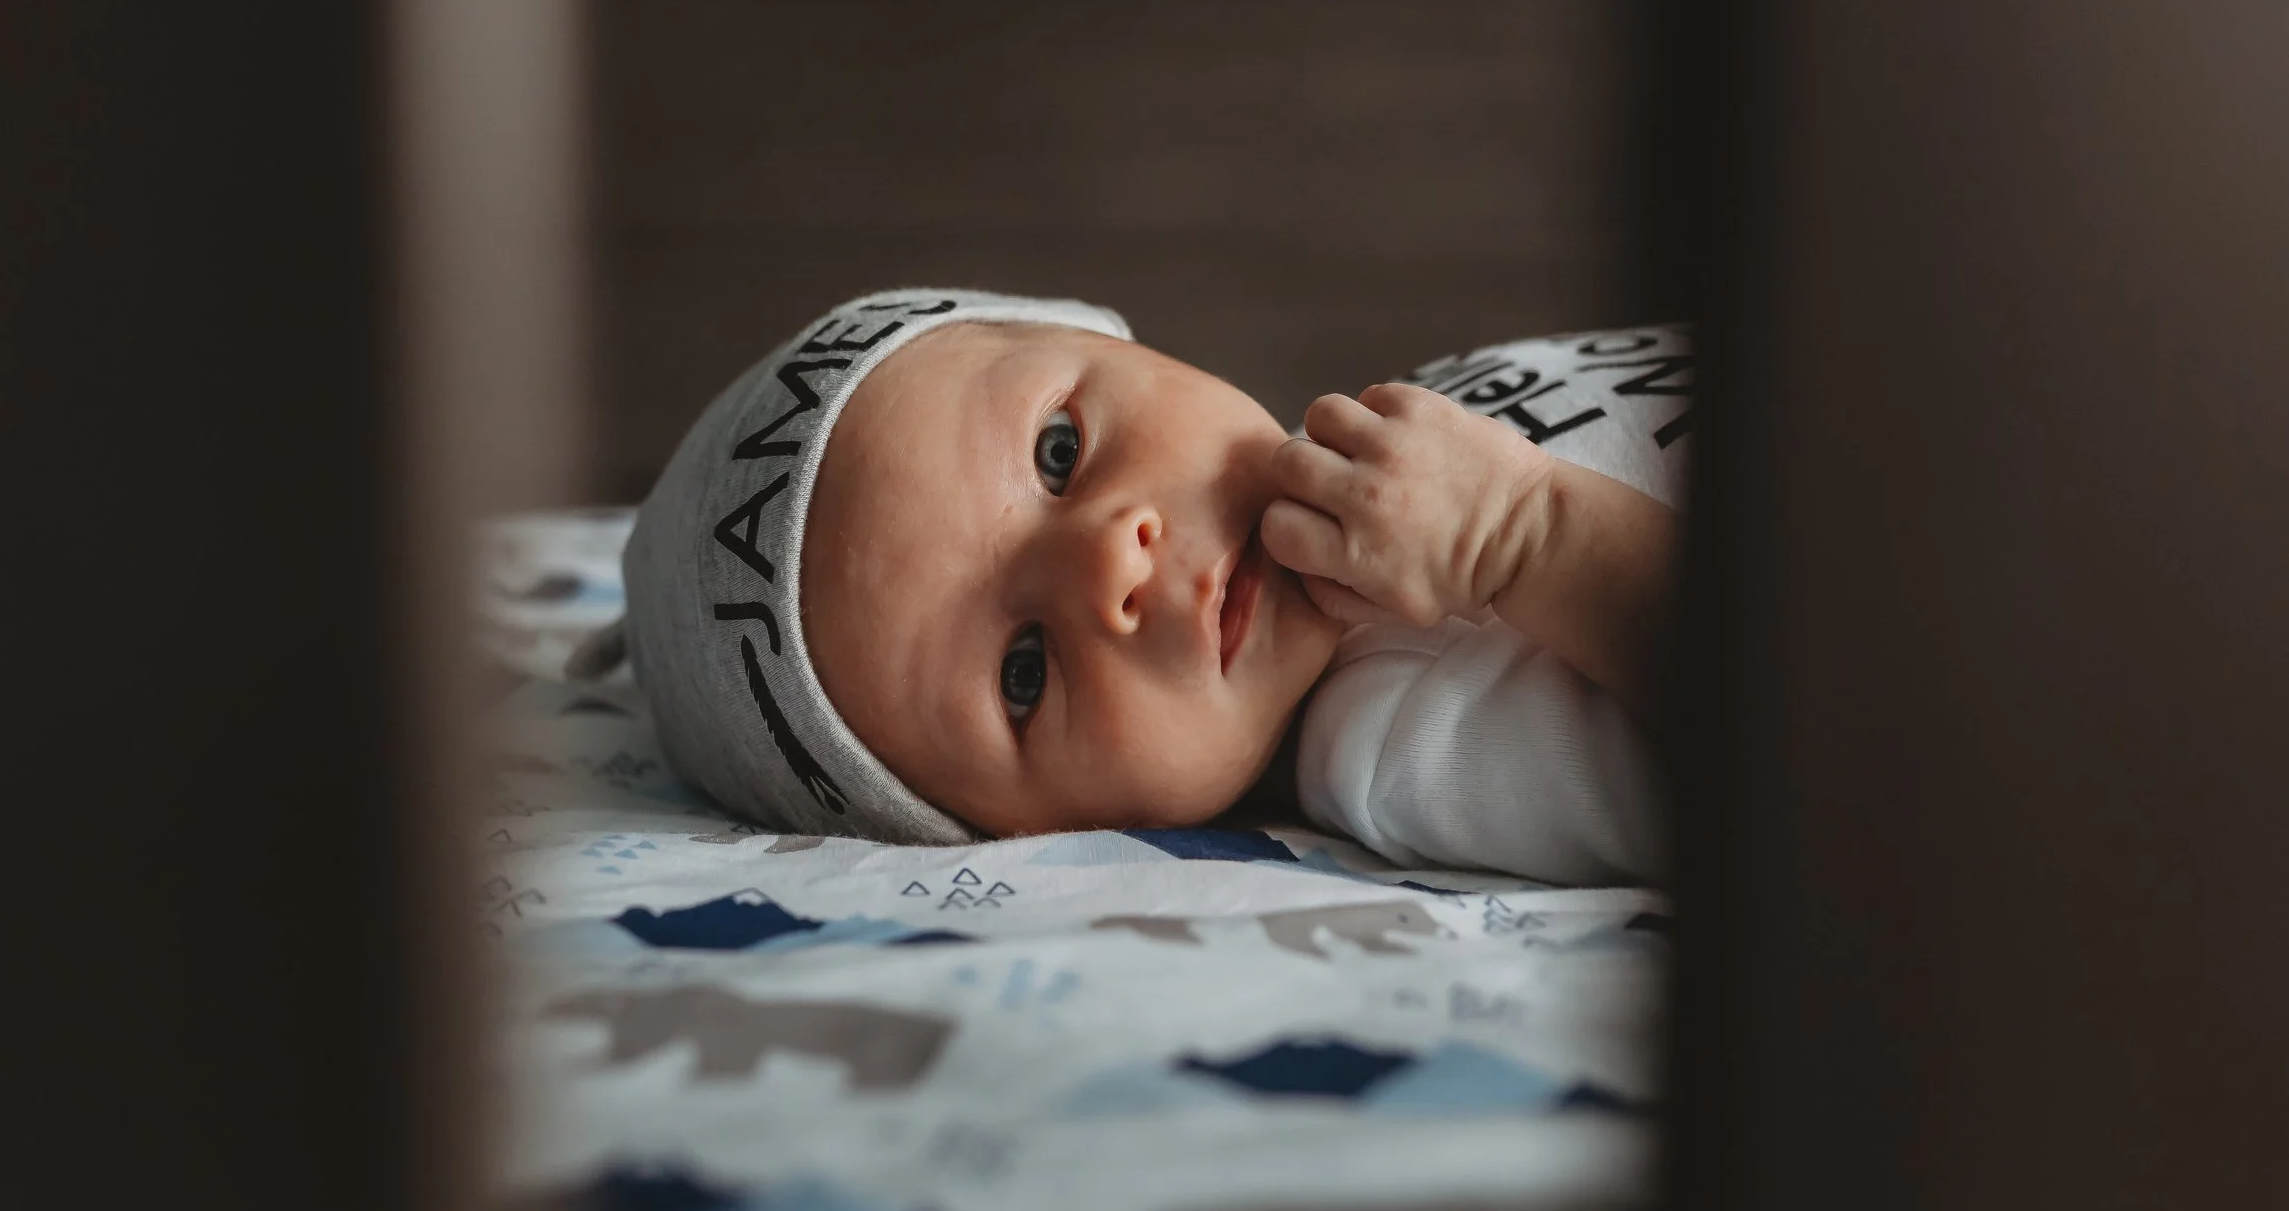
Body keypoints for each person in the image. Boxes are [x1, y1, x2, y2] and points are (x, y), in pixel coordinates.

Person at [613, 289, 1688, 884]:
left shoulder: (1418, 416)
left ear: (1107, 337)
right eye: (1022, 674)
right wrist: (1526, 532)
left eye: (1055, 453)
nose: (1108, 564)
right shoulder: (1410, 738)